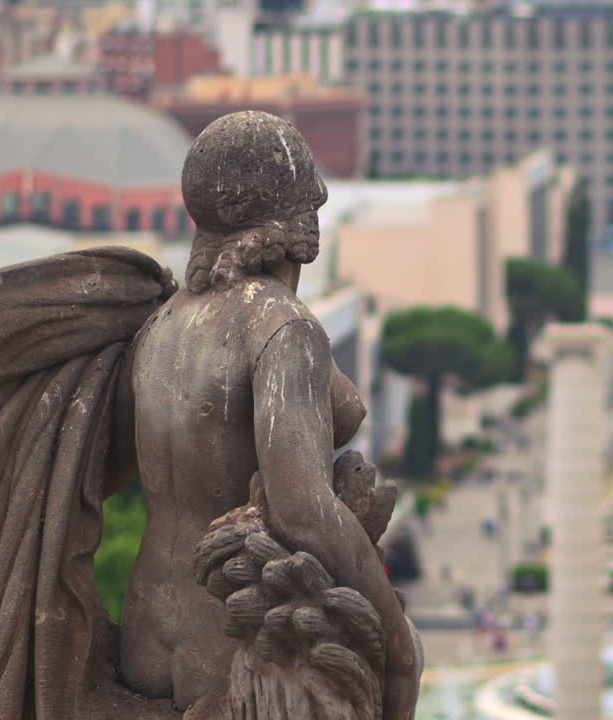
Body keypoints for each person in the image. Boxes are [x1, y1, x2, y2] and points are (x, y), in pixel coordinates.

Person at [122, 112, 420, 717]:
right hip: (238, 636)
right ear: (301, 226)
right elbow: (302, 510)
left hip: (146, 629)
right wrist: (394, 633)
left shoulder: (161, 326)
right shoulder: (280, 326)